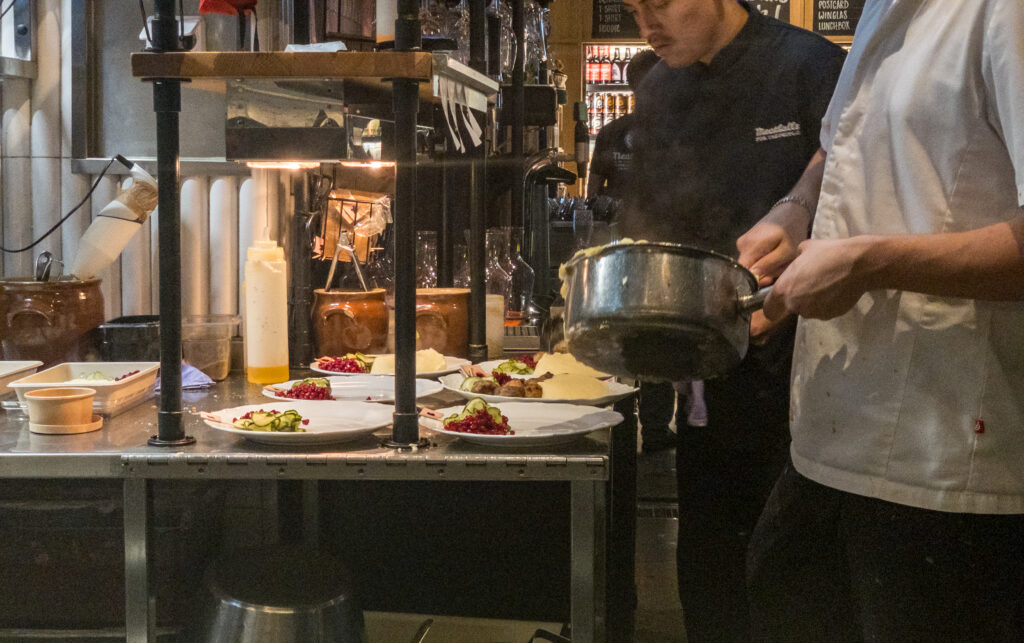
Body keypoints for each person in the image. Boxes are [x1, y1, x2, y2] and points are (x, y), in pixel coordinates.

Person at [738, 1, 1024, 640]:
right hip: (831, 437)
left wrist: (870, 263)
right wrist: (797, 208)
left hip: (944, 465)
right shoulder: (879, 10)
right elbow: (843, 136)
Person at [619, 0, 844, 640]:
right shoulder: (658, 87)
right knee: (710, 579)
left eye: (659, 4)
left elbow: (853, 184)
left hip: (806, 376)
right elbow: (652, 223)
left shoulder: (809, 66)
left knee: (791, 584)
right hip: (708, 376)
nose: (646, 26)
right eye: (634, 10)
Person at [587, 49, 680, 453]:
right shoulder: (614, 133)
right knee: (637, 344)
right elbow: (592, 195)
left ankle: (648, 429)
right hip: (626, 251)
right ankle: (631, 426)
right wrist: (610, 206)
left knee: (650, 344)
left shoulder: (679, 134)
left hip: (656, 252)